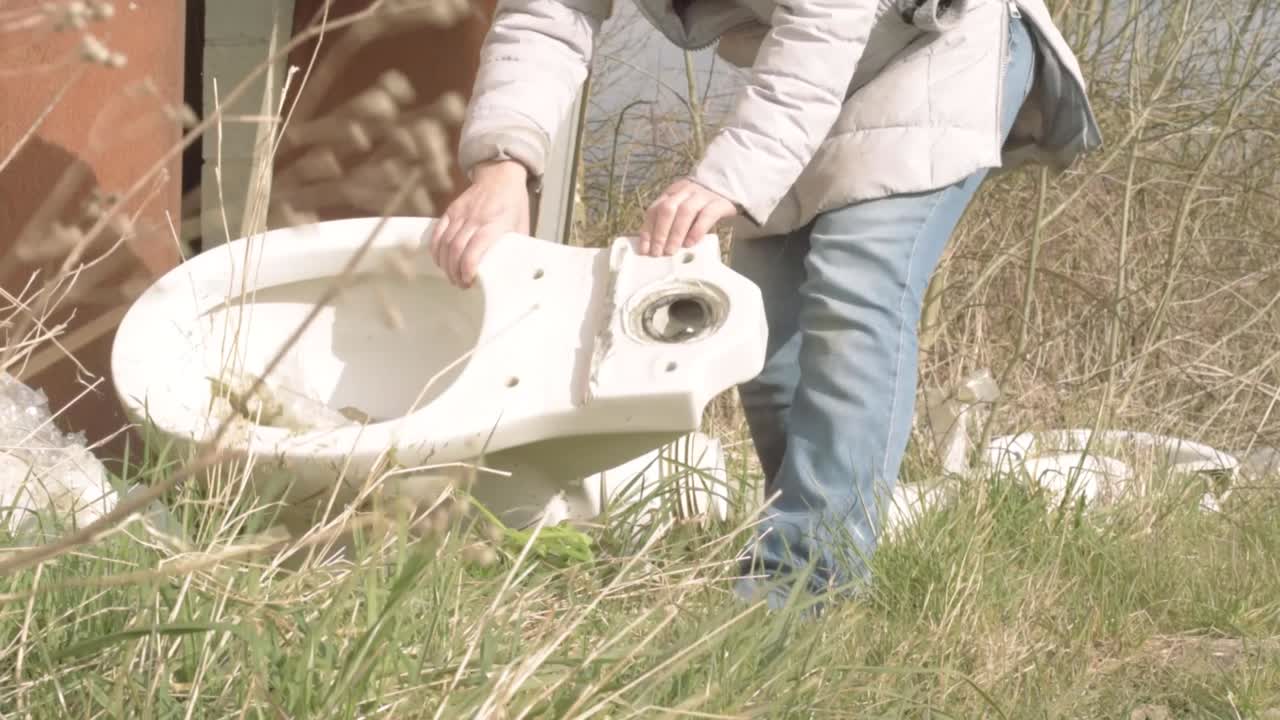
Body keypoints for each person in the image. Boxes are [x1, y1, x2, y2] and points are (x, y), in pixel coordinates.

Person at [429, 0, 1102, 607]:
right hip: (821, 69)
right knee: (761, 318)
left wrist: (723, 181)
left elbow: (824, 24)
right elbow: (547, 16)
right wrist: (503, 167)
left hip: (937, 48)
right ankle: (816, 551)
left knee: (855, 284)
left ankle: (804, 585)